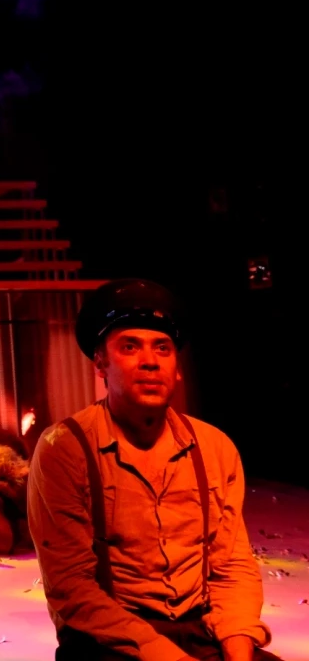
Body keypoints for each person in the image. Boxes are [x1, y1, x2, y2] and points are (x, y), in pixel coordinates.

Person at [28, 279, 278, 661]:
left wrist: (238, 649)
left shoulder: (215, 448)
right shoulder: (64, 448)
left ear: (176, 369)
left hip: (200, 629)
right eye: (130, 347)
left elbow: (232, 567)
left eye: (162, 347)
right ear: (100, 364)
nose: (150, 361)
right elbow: (72, 587)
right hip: (110, 637)